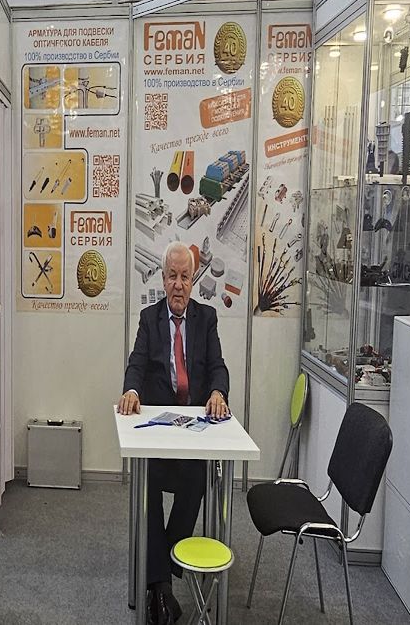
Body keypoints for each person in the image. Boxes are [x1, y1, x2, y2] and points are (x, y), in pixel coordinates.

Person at [118, 241, 229, 625]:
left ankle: (159, 573)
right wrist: (132, 390)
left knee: (198, 479)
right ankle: (163, 588)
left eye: (185, 277)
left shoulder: (206, 318)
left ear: (193, 280)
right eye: (172, 277)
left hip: (192, 438)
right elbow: (136, 364)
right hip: (158, 436)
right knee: (147, 483)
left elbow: (217, 367)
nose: (178, 285)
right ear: (163, 280)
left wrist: (218, 392)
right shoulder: (149, 319)